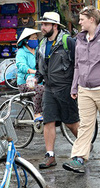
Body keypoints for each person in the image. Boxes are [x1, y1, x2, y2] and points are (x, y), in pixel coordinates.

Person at [63, 6, 100, 173]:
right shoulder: (80, 39)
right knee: (85, 126)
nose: (79, 22)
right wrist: (74, 86)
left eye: (82, 19)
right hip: (84, 90)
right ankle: (79, 158)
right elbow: (77, 66)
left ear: (92, 20)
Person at [34, 12, 79, 169]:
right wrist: (36, 79)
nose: (42, 27)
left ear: (55, 26)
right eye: (42, 24)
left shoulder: (68, 42)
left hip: (65, 88)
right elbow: (39, 66)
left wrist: (76, 86)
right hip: (49, 88)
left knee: (71, 122)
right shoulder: (41, 44)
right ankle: (50, 156)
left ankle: (84, 146)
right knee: (48, 121)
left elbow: (78, 65)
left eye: (46, 24)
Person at [16, 28, 44, 120]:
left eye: (36, 38)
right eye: (32, 38)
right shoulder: (21, 52)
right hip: (25, 83)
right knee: (40, 89)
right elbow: (21, 66)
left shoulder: (38, 50)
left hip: (38, 80)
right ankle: (37, 113)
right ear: (26, 41)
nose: (35, 40)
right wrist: (34, 71)